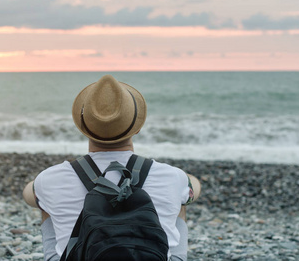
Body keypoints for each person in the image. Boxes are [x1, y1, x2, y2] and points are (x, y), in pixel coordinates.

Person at [23, 74, 201, 261]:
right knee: (181, 201)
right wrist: (187, 181)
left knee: (45, 203)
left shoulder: (51, 178)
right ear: (137, 127)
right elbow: (193, 191)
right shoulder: (172, 176)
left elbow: (30, 196)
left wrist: (41, 188)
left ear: (82, 128)